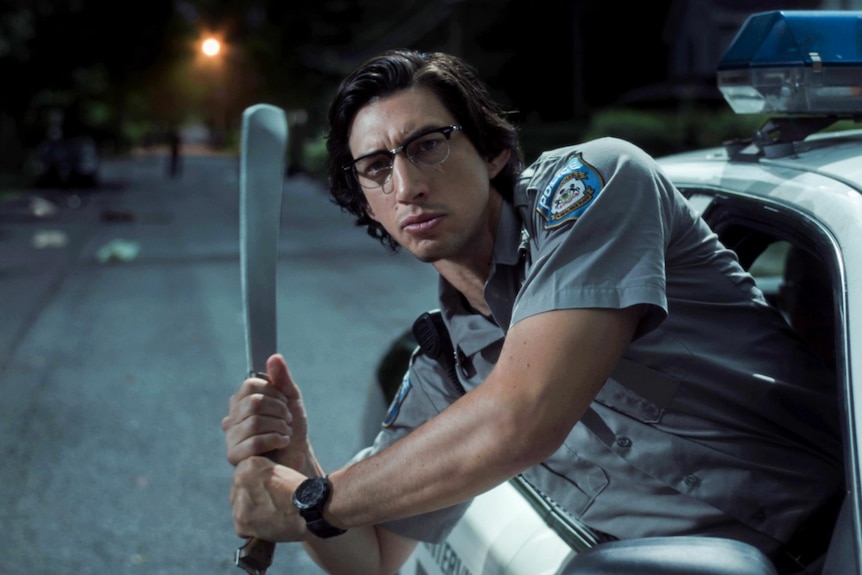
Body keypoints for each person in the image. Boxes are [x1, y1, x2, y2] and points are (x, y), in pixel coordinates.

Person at [222, 50, 844, 575]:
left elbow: (524, 414)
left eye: (428, 145)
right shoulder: (446, 372)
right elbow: (376, 556)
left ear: (492, 152)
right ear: (368, 203)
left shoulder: (594, 186)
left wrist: (309, 502)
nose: (406, 184)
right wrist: (297, 461)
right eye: (377, 168)